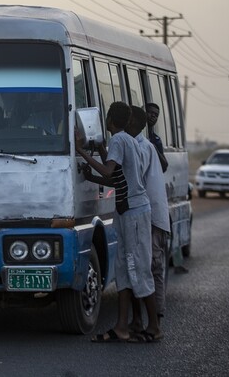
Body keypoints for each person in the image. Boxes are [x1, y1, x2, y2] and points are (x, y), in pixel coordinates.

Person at [76, 101, 162, 343]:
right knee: (123, 269)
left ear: (111, 119)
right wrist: (95, 166)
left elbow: (108, 171)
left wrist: (82, 151)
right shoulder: (126, 141)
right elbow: (117, 178)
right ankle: (122, 326)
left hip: (134, 212)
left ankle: (154, 326)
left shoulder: (119, 140)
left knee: (139, 269)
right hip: (126, 212)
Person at [126, 106, 170, 334]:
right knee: (138, 266)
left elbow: (130, 180)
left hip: (151, 216)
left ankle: (155, 322)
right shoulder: (139, 145)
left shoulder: (142, 148)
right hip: (146, 215)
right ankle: (139, 321)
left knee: (152, 267)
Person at [145, 102, 169, 173]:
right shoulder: (133, 133)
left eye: (156, 115)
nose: (153, 116)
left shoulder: (155, 139)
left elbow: (164, 166)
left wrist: (154, 148)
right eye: (150, 112)